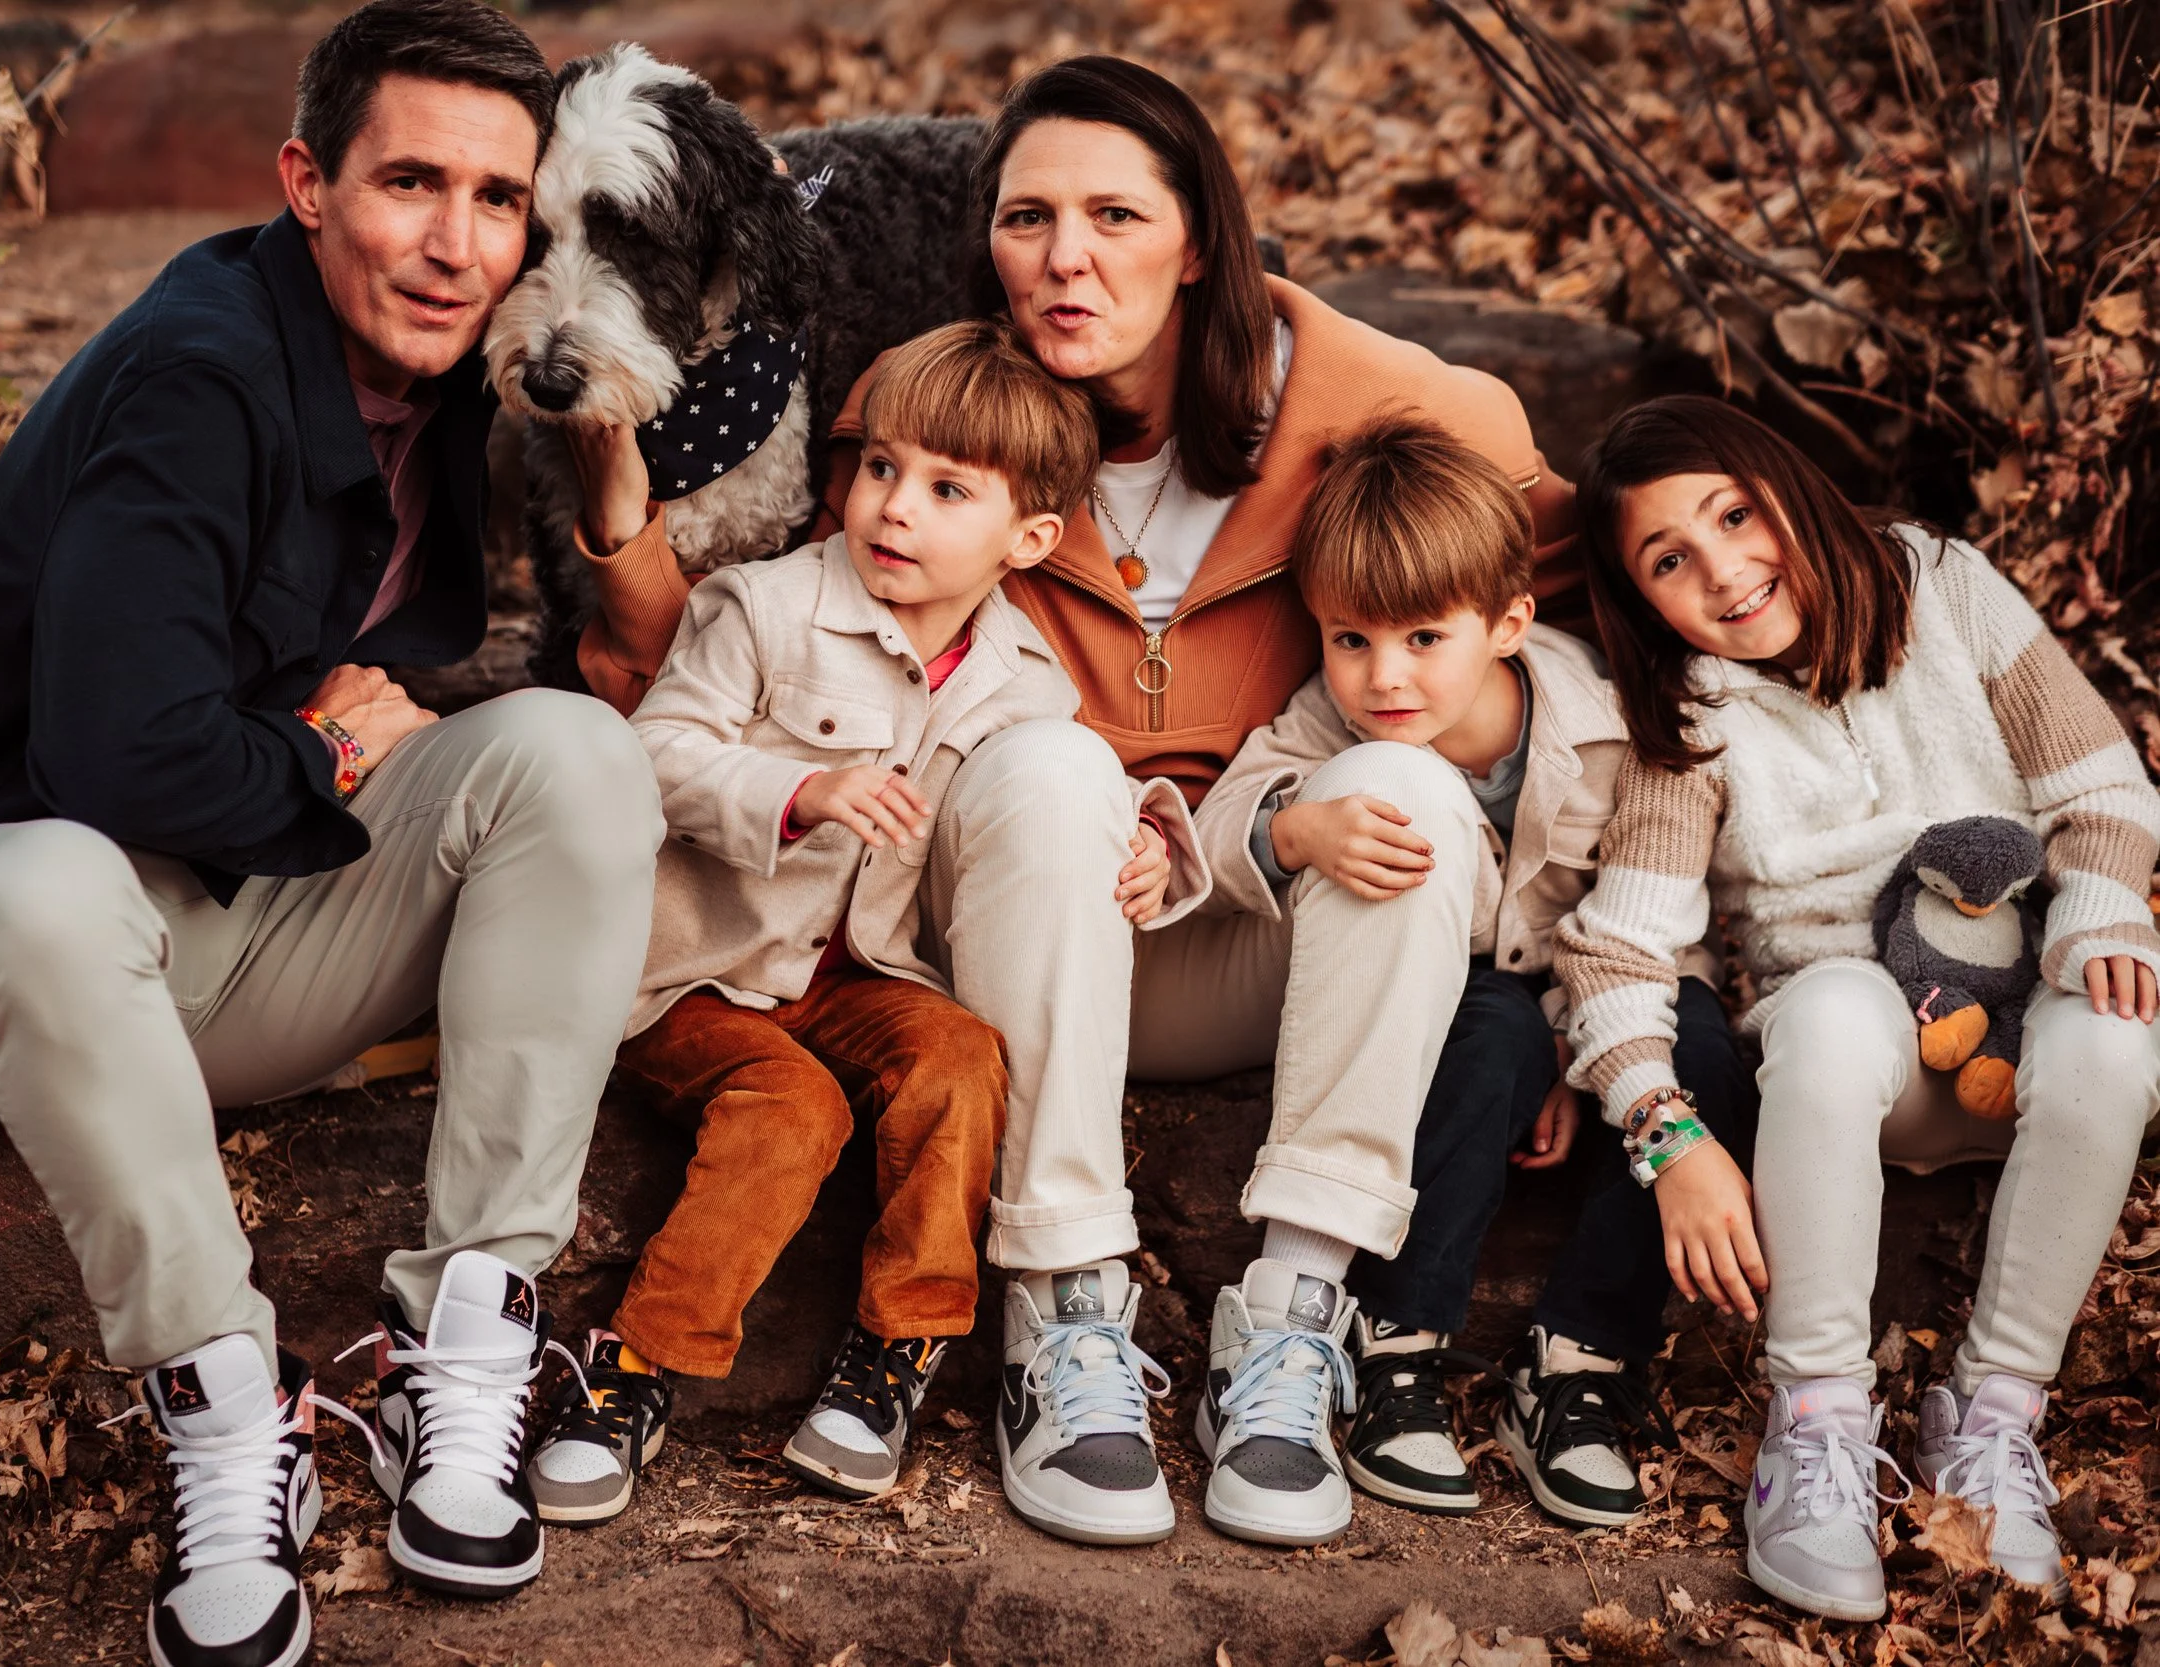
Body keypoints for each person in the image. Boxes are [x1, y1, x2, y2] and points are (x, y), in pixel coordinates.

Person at [562, 53, 1575, 1545]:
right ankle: (1065, 1305)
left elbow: (1552, 612)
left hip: (1242, 925)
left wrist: (1575, 962)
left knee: (1399, 785)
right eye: (1026, 218)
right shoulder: (936, 416)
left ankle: (1293, 1321)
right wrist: (615, 514)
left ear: (1201, 240)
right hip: (1002, 921)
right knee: (1050, 760)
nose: (1064, 258)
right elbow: (742, 651)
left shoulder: (1372, 400)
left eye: (1115, 215)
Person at [0, 3, 664, 1658]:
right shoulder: (202, 370)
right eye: (409, 183)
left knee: (575, 759)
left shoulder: (444, 371)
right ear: (307, 183)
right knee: (55, 886)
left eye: (497, 199)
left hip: (223, 929)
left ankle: (466, 1346)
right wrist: (327, 752)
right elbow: (113, 754)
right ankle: (224, 1418)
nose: (454, 243)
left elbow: (526, 662)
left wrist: (605, 479)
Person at [526, 319, 1184, 1523]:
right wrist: (797, 789)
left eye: (947, 489)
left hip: (863, 976)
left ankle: (894, 1351)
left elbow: (1036, 815)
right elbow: (650, 752)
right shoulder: (764, 607)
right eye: (881, 467)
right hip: (703, 972)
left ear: (1029, 538)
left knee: (961, 1060)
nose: (895, 507)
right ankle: (637, 1361)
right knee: (794, 1108)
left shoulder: (1028, 679)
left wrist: (1142, 844)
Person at [1557, 394, 2160, 1619]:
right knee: (1832, 1006)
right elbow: (1617, 948)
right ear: (1641, 598)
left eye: (1734, 514)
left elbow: (2100, 787)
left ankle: (1992, 1419)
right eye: (1668, 559)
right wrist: (1665, 1131)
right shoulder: (1690, 717)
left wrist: (2100, 907)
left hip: (2023, 1026)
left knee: (2113, 1033)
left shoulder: (1942, 585)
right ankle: (1817, 1422)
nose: (1722, 570)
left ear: (1787, 486)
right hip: (1851, 1069)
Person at [1186, 416, 1759, 1545]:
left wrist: (1583, 1048)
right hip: (1456, 1002)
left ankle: (1584, 1360)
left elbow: (1655, 921)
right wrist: (1296, 828)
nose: (1383, 676)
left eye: (1422, 637)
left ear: (1507, 623)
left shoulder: (1613, 729)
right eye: (1349, 639)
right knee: (1488, 1037)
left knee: (1701, 1049)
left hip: (1602, 998)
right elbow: (1211, 833)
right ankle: (1396, 1345)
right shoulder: (1329, 718)